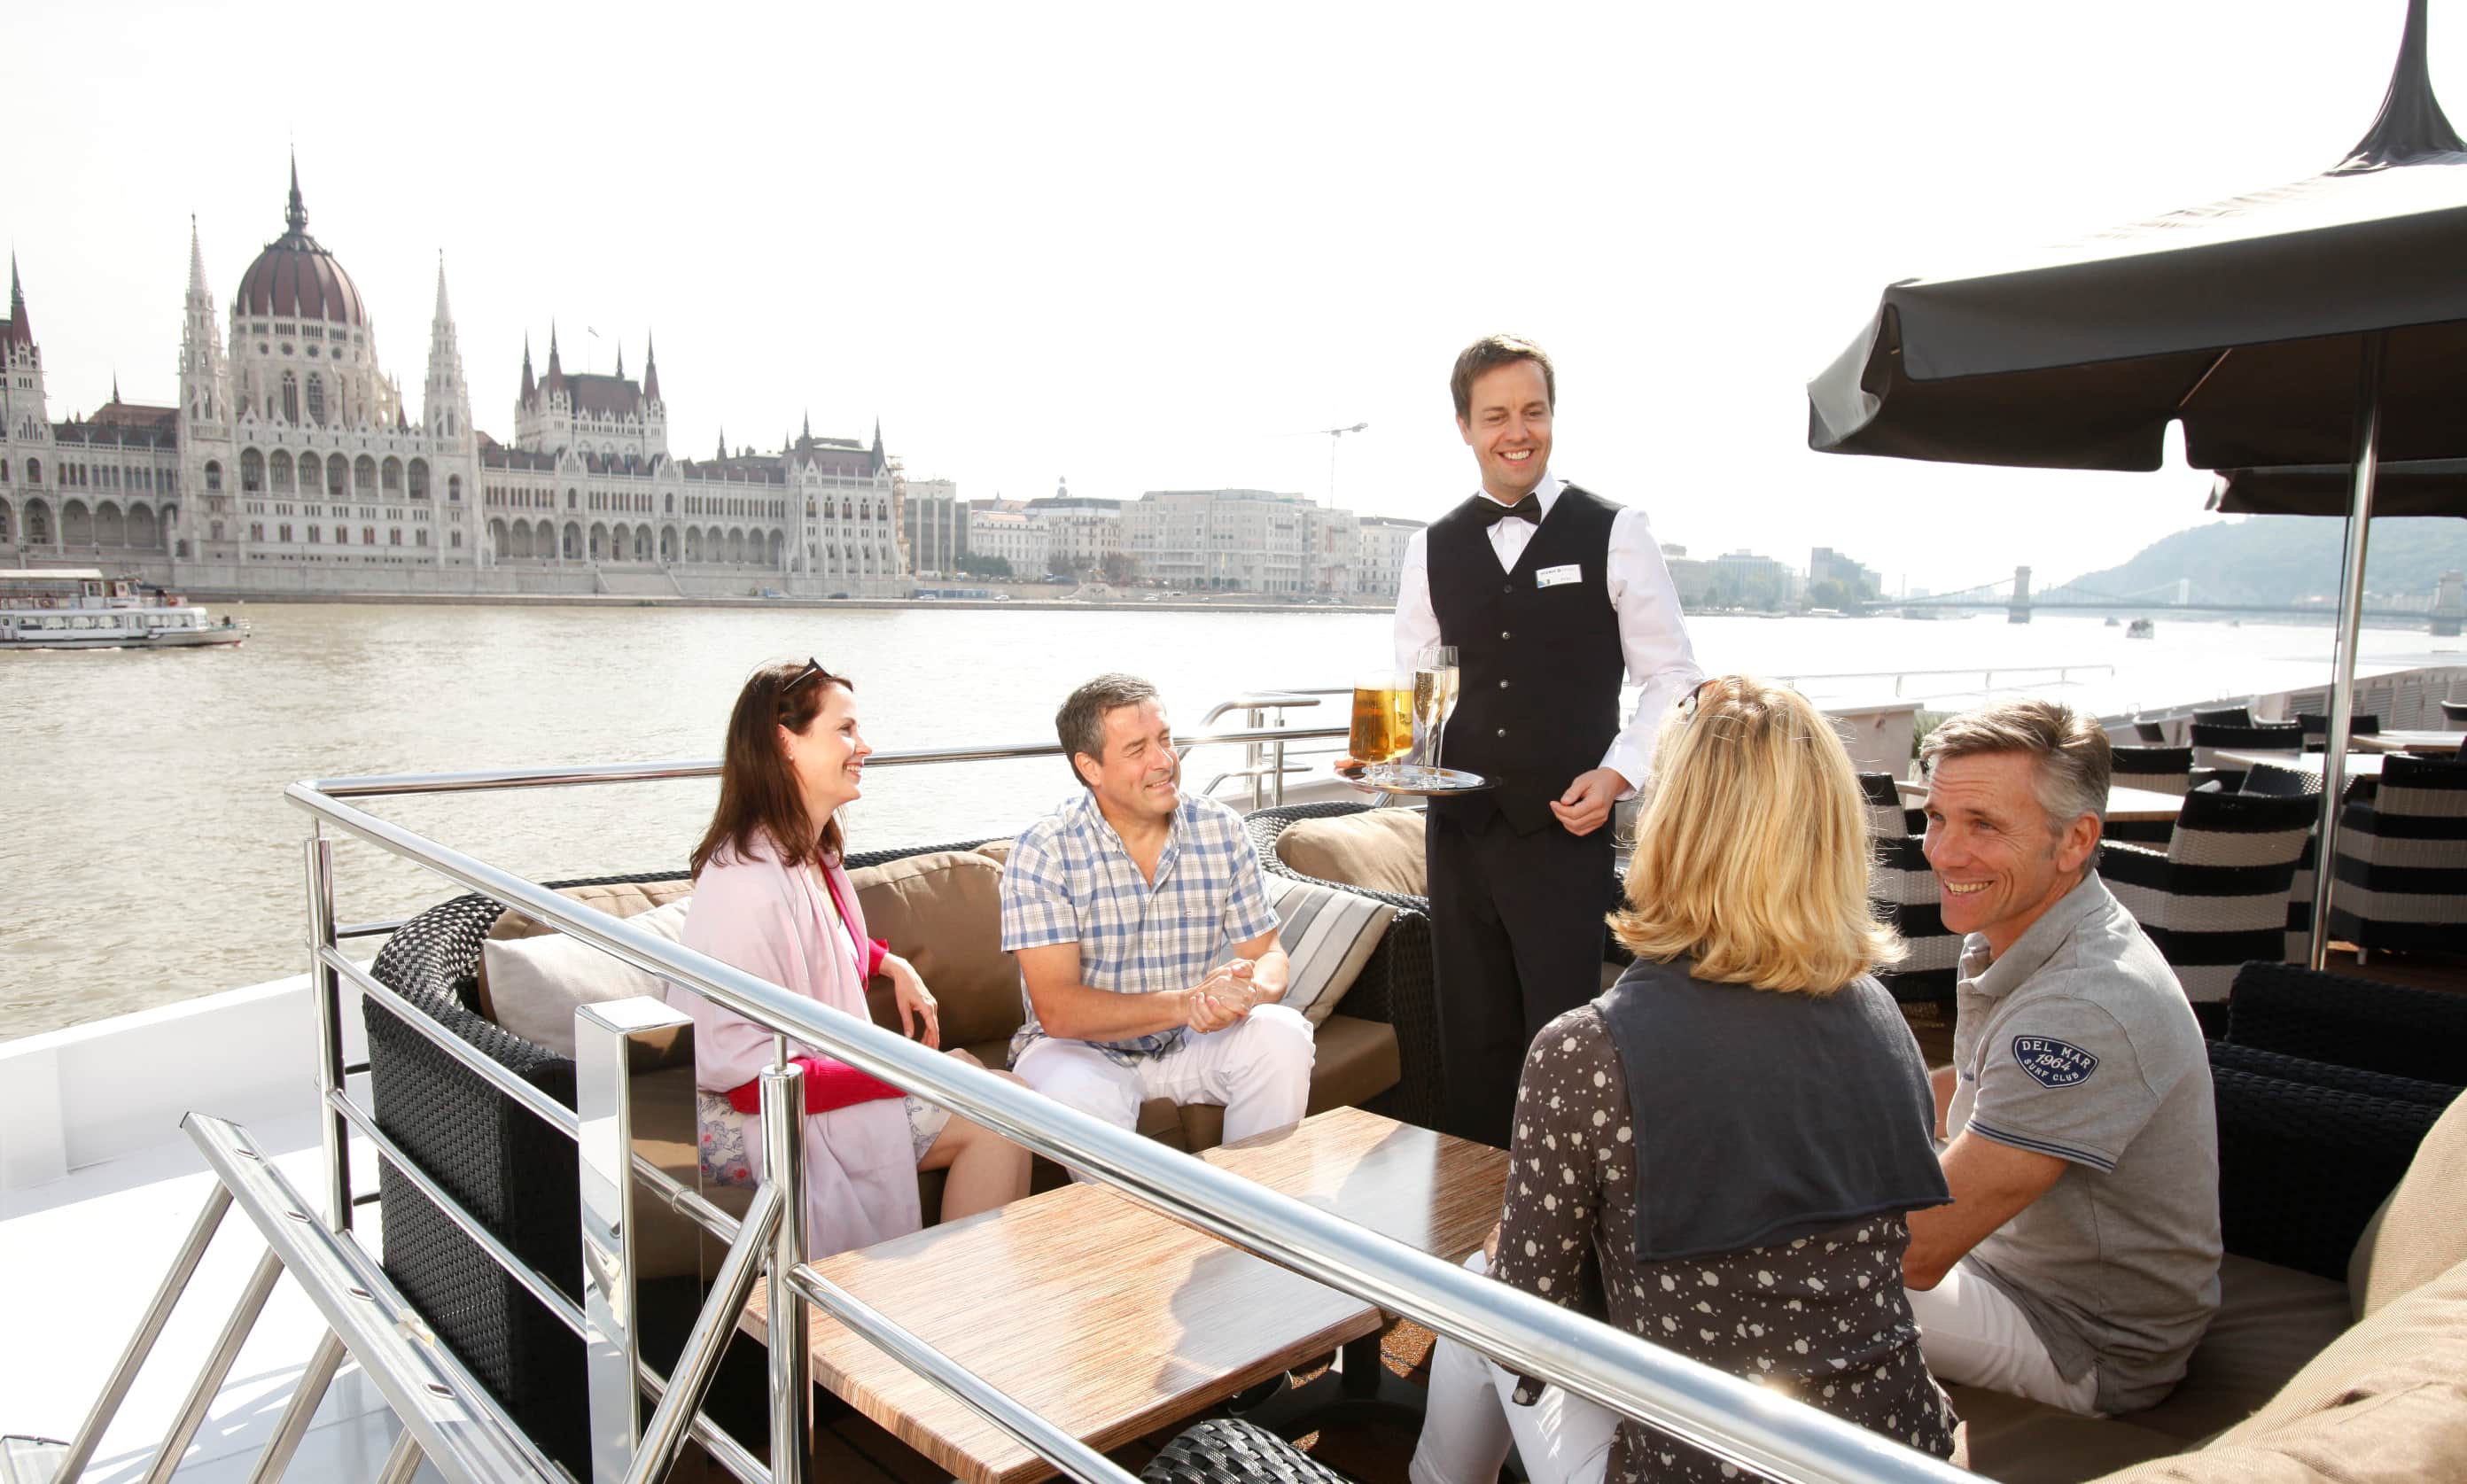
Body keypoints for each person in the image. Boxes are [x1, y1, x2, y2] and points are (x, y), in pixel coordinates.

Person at [1410, 677, 1957, 1484]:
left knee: (1481, 1294)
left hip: (1698, 1465)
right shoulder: (1881, 1018)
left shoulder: (1589, 1050)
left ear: (1671, 825)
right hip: (1899, 1453)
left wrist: (1524, 1250)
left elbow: (1523, 1325)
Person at [1393, 333, 1704, 1148]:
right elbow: (1417, 685)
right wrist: (1401, 761)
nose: (1516, 431)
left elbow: (1672, 678)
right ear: (1464, 426)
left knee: (1565, 1042)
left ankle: (1562, 1238)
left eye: (1532, 411)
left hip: (1565, 829)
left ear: (1552, 417)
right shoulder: (1430, 545)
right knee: (1470, 1040)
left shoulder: (1616, 529)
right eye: (1495, 415)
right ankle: (1467, 1231)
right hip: (1458, 831)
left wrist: (1616, 774)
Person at [1903, 699, 2221, 1416]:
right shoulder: (2023, 923)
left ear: (2075, 839)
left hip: (2082, 1338)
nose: (1945, 852)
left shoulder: (2083, 1007)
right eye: (1938, 818)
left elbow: (1919, 1252)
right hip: (2009, 1266)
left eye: (1983, 824)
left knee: (1749, 1267)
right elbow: (1979, 1086)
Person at [671, 657, 1031, 1257]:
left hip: (798, 1081)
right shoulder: (744, 884)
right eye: (845, 730)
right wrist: (919, 1070)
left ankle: (967, 1311)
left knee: (1008, 1092)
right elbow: (744, 1074)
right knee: (999, 1114)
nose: (865, 744)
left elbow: (807, 944)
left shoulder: (811, 854)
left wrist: (889, 963)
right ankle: (953, 1323)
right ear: (786, 742)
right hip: (748, 1117)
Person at [1000, 673, 1313, 1147]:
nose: (1164, 761)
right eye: (1137, 749)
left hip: (1190, 1043)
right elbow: (1058, 1010)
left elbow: (1268, 952)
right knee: (1074, 1089)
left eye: (1165, 740)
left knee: (1283, 1034)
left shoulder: (1221, 829)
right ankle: (1132, 1222)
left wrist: (1246, 993)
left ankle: (1254, 1210)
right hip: (1077, 1052)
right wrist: (1188, 1004)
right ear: (1090, 767)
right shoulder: (1044, 850)